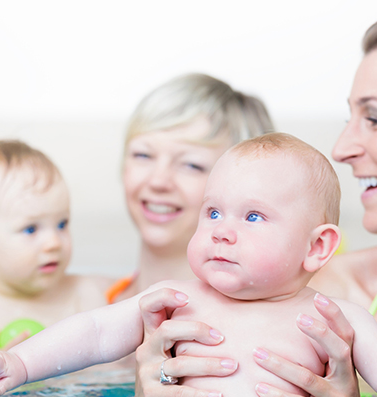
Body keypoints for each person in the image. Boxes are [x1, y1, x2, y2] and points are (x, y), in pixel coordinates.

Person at [0, 134, 377, 397]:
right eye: (214, 211)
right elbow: (94, 332)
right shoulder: (177, 300)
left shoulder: (334, 317)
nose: (221, 229)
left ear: (317, 247)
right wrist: (21, 361)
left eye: (254, 216)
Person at [134, 9, 377, 397]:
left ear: (318, 244)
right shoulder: (305, 290)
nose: (342, 147)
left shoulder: (334, 314)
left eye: (374, 118)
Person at [108, 72, 273, 304]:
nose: (158, 181)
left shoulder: (260, 327)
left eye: (191, 165)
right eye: (143, 154)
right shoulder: (87, 303)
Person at [0, 140, 112, 349]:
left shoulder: (85, 296)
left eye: (62, 224)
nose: (54, 242)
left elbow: (112, 367)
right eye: (31, 229)